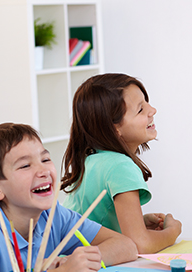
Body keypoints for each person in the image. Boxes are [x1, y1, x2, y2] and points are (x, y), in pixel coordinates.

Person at [0, 123, 137, 272]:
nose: (44, 170)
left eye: (45, 160)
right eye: (25, 165)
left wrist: (74, 262)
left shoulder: (53, 215)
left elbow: (126, 246)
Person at [61, 73, 181, 253]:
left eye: (147, 102)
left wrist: (133, 224)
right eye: (140, 109)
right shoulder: (120, 166)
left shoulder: (91, 160)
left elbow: (94, 221)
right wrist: (172, 232)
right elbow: (140, 245)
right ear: (114, 128)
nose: (152, 110)